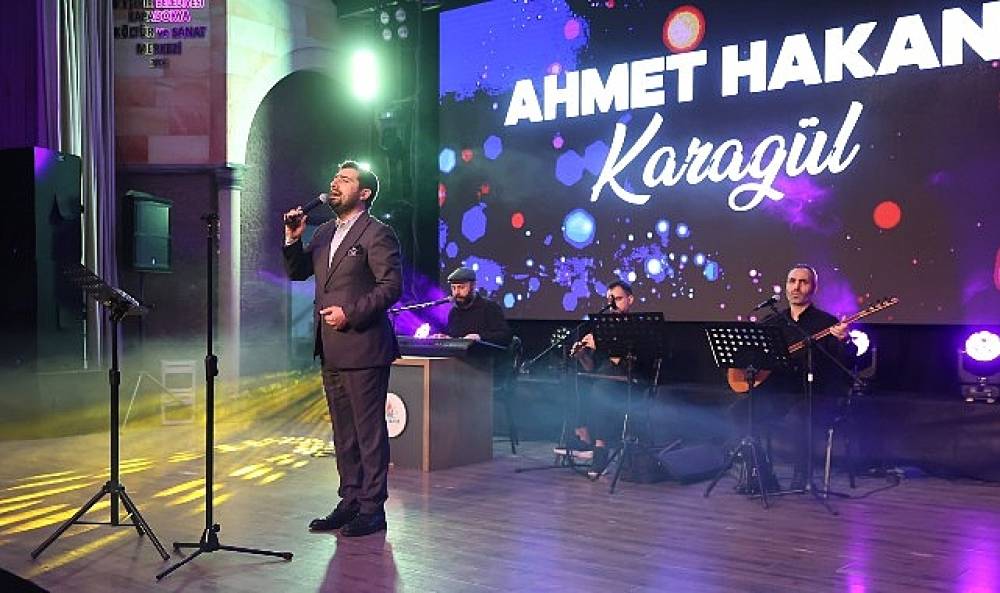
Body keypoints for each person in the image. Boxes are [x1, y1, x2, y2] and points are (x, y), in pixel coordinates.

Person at [282, 161, 402, 537]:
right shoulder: (324, 232)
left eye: (345, 180)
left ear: (364, 193)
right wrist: (292, 239)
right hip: (331, 348)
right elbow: (298, 271)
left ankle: (372, 509)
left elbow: (391, 287)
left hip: (364, 346)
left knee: (368, 433)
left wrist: (350, 313)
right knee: (344, 434)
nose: (335, 183)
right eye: (335, 178)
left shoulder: (377, 233)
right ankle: (350, 501)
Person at [733, 264, 854, 490]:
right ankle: (762, 473)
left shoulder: (827, 323)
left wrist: (844, 340)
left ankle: (802, 475)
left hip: (815, 393)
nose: (796, 287)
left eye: (803, 282)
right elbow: (752, 355)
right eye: (792, 281)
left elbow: (846, 361)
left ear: (813, 288)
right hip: (780, 392)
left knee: (801, 416)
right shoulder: (772, 323)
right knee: (739, 412)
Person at [564, 280, 642, 477]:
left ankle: (601, 449)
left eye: (618, 299)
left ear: (630, 299)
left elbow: (619, 361)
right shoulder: (602, 327)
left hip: (628, 378)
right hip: (604, 376)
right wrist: (582, 355)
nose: (613, 304)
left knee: (601, 389)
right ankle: (583, 436)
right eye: (609, 300)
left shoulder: (638, 326)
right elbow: (591, 368)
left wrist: (600, 343)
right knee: (573, 379)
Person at [439, 266, 513, 347]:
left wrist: (480, 337)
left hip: (483, 354)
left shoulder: (489, 307)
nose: (456, 293)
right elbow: (456, 339)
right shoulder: (454, 312)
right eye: (453, 288)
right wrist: (446, 338)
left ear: (473, 286)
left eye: (461, 287)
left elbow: (505, 336)